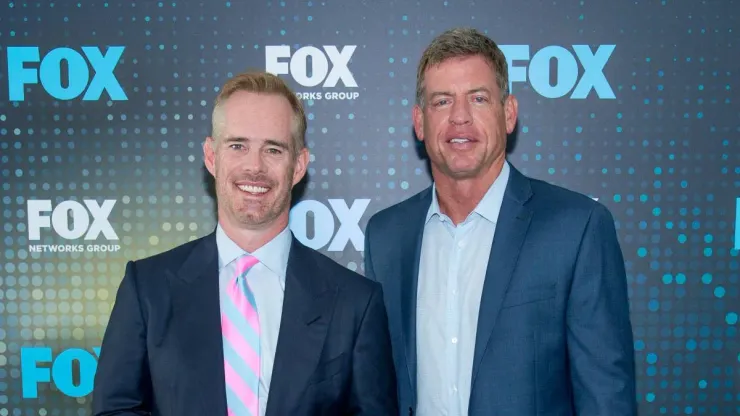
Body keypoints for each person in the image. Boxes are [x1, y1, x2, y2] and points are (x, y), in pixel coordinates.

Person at [363, 27, 637, 416]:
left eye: (478, 98)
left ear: (508, 113)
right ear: (419, 122)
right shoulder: (386, 236)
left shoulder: (577, 228)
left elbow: (605, 397)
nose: (460, 117)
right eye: (442, 101)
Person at [92, 71, 398, 416]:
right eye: (238, 146)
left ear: (298, 165)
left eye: (273, 149)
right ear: (211, 156)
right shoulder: (148, 288)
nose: (255, 166)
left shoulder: (355, 303)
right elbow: (114, 410)